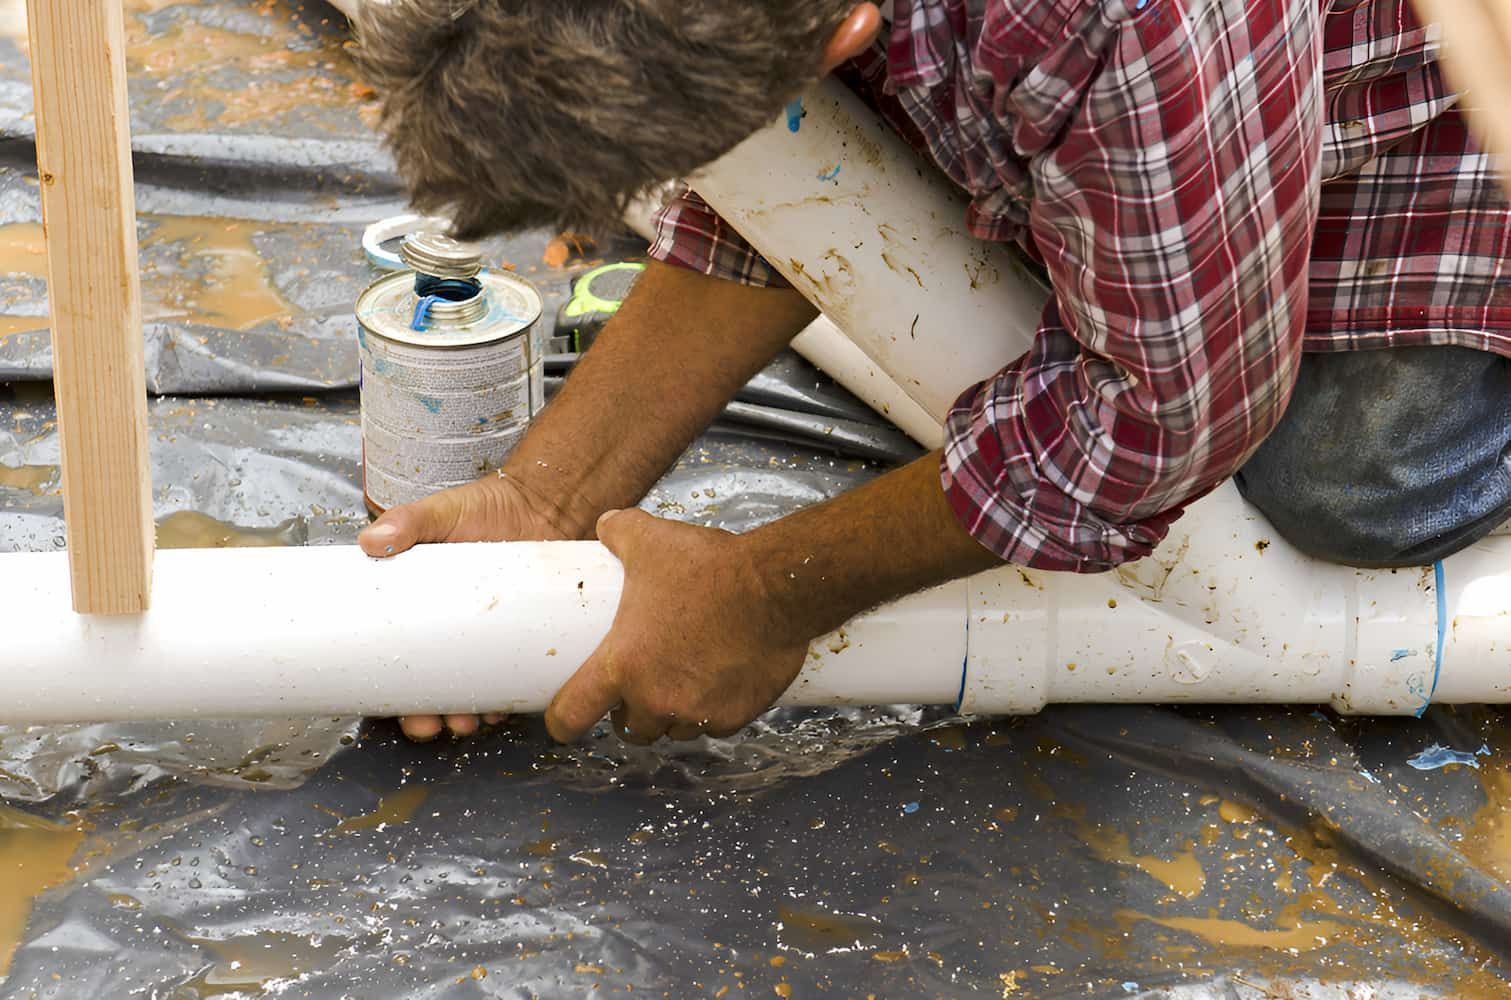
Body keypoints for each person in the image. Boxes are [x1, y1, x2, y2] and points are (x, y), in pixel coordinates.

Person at [350, 0, 1511, 744]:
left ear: (843, 34)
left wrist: (766, 595)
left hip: (1444, 116)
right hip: (1193, 106)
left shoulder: (1125, 21)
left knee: (1349, 485)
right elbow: (792, 173)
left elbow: (1165, 418)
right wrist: (543, 496)